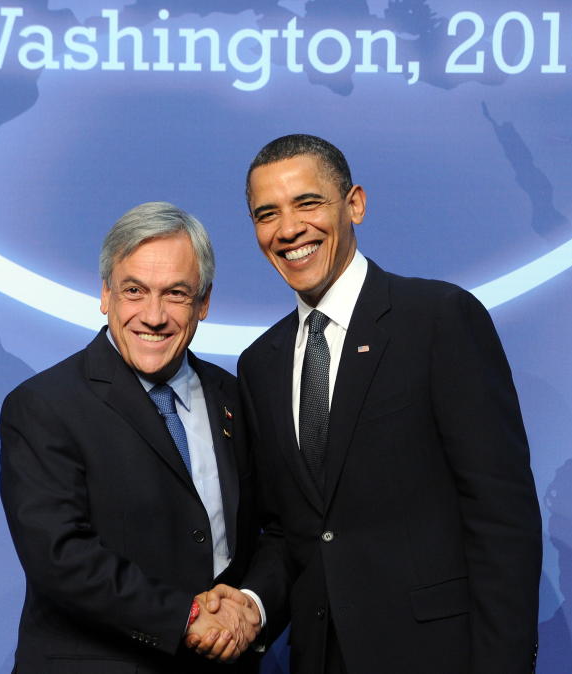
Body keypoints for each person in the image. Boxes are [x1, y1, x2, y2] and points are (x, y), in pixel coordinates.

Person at [195, 135, 542, 673]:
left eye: (307, 203)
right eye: (268, 214)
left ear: (354, 203)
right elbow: (291, 530)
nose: (288, 230)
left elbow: (500, 515)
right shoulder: (260, 364)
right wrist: (252, 604)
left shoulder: (437, 319)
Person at [0, 202, 262, 673]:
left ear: (204, 302)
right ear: (105, 294)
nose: (154, 315)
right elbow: (60, 557)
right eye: (135, 290)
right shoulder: (44, 406)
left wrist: (251, 607)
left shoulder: (234, 397)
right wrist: (187, 617)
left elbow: (274, 531)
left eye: (176, 293)